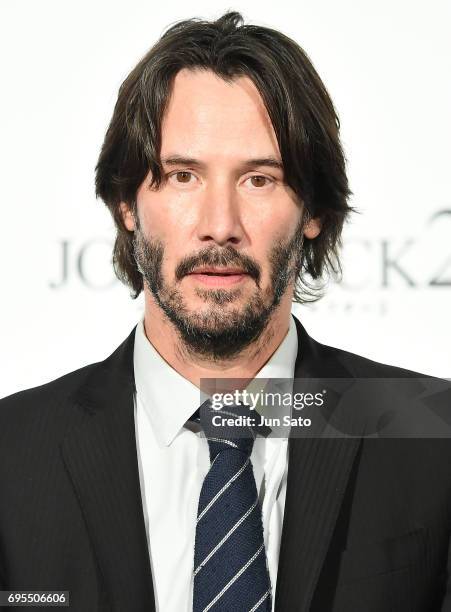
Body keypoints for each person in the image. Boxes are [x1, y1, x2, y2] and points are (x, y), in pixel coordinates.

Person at [0, 10, 450, 612]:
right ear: (127, 205)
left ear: (313, 210)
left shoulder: (434, 441)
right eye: (183, 176)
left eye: (259, 180)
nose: (220, 227)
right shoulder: (11, 455)